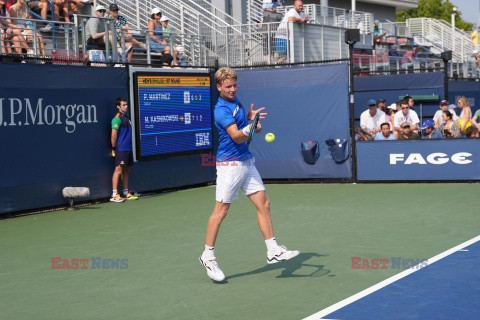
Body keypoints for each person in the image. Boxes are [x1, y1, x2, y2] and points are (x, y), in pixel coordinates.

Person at [199, 67, 299, 282]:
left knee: (264, 204)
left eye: (234, 85)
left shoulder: (236, 103)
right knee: (221, 211)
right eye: (228, 87)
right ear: (219, 87)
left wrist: (250, 119)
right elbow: (236, 136)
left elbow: (247, 129)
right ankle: (208, 255)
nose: (233, 89)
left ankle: (273, 250)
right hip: (229, 166)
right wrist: (250, 126)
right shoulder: (221, 110)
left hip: (246, 161)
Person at [111, 97, 138, 203]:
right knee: (118, 170)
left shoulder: (127, 118)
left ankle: (125, 193)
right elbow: (113, 134)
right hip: (120, 148)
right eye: (124, 105)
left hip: (128, 148)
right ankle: (114, 195)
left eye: (126, 105)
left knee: (126, 170)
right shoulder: (116, 119)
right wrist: (113, 148)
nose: (126, 107)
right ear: (118, 106)